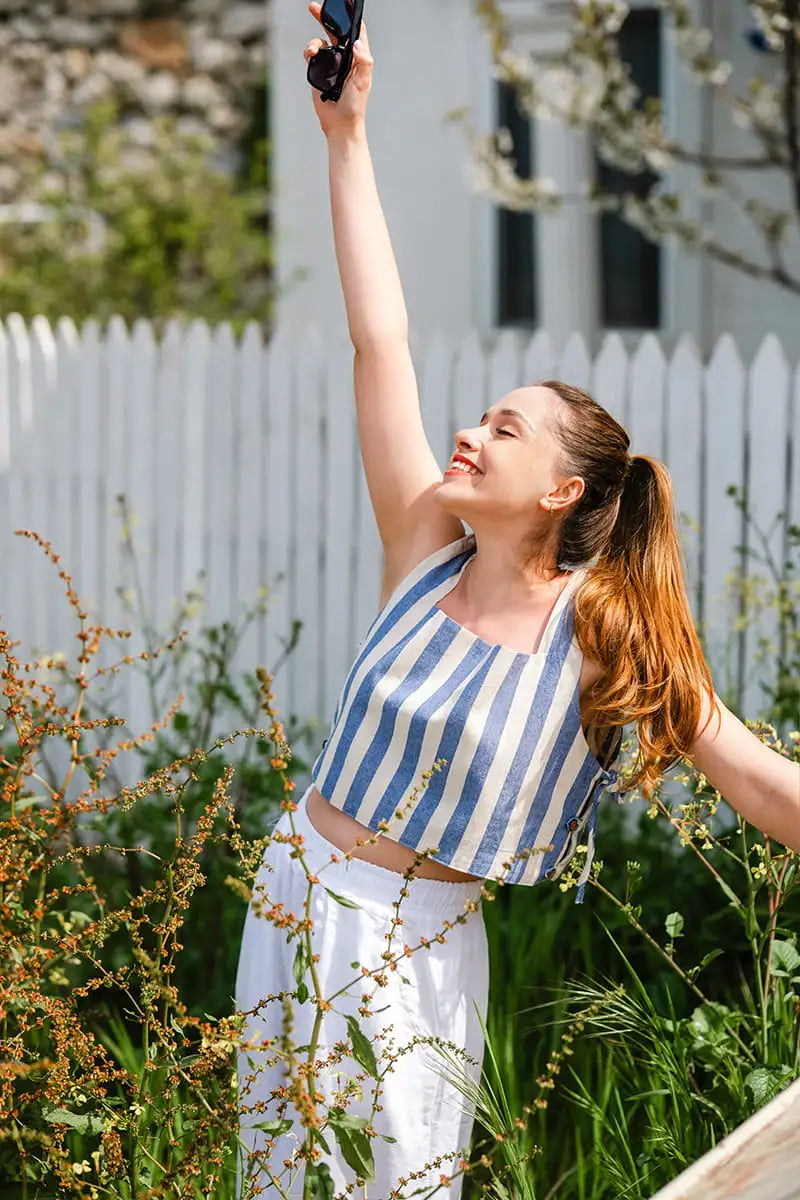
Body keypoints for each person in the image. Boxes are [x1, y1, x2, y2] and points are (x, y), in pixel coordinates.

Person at [234, 8, 800, 1197]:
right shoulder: (422, 551)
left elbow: (753, 780)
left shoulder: (606, 634)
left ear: (560, 489)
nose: (465, 431)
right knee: (277, 1176)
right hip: (295, 889)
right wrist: (345, 136)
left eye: (501, 427)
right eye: (477, 413)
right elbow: (376, 341)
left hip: (416, 946)